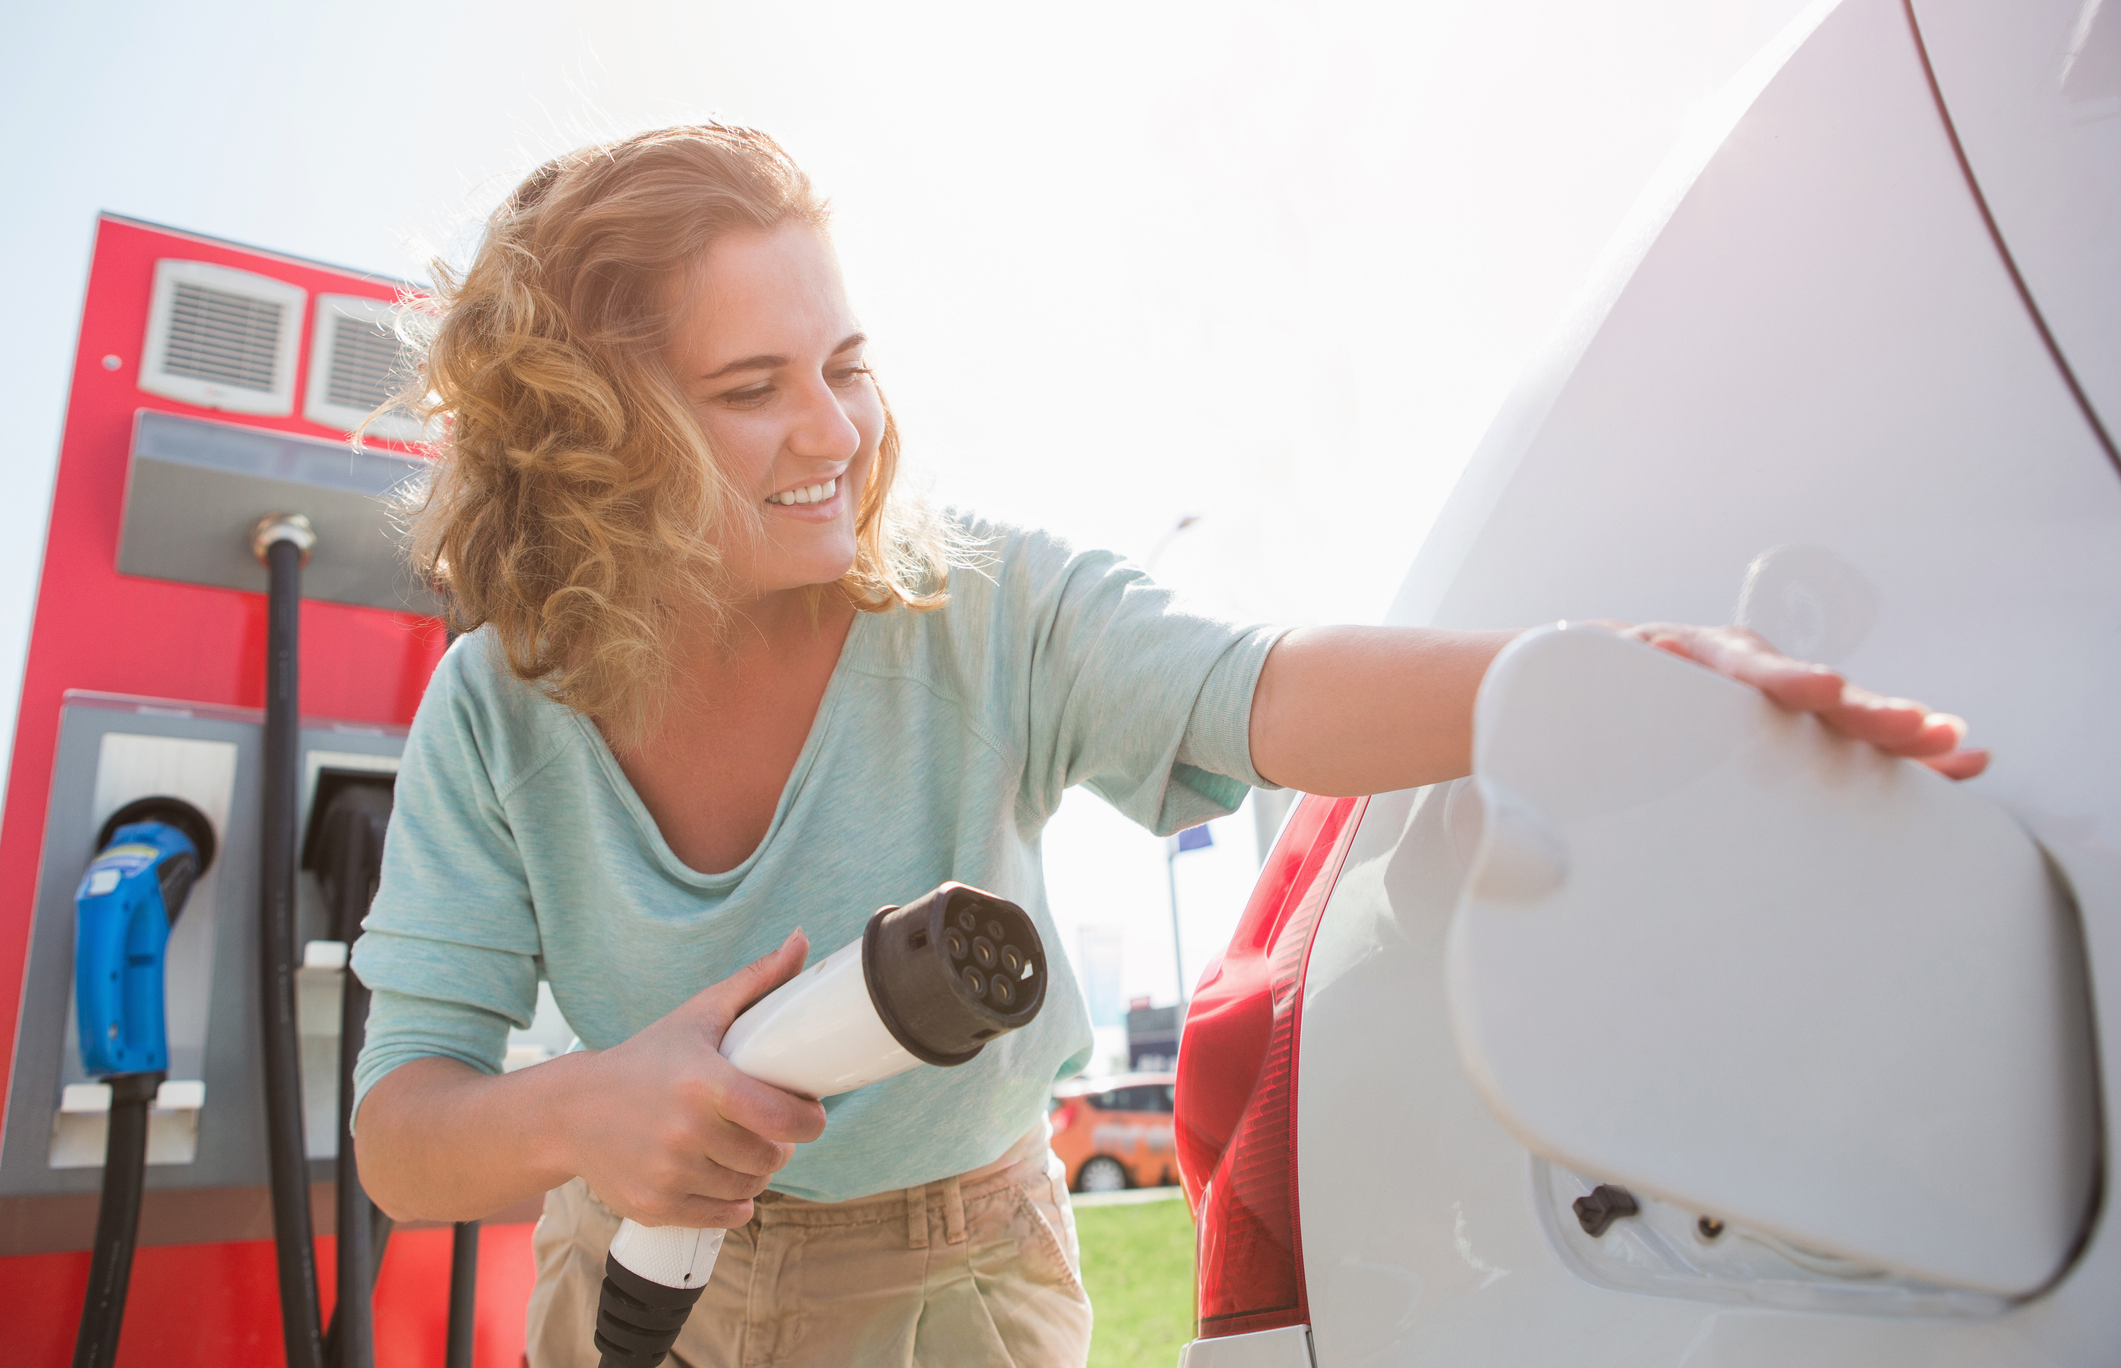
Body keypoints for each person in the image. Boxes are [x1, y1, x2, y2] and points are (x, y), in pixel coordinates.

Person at [349, 124, 1986, 1368]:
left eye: (847, 365)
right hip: (621, 1279)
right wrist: (594, 1110)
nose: (838, 433)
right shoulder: (503, 706)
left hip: (956, 1286)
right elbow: (404, 1132)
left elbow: (1252, 688)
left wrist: (1598, 677)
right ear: (591, 432)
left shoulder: (982, 609)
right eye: (751, 386)